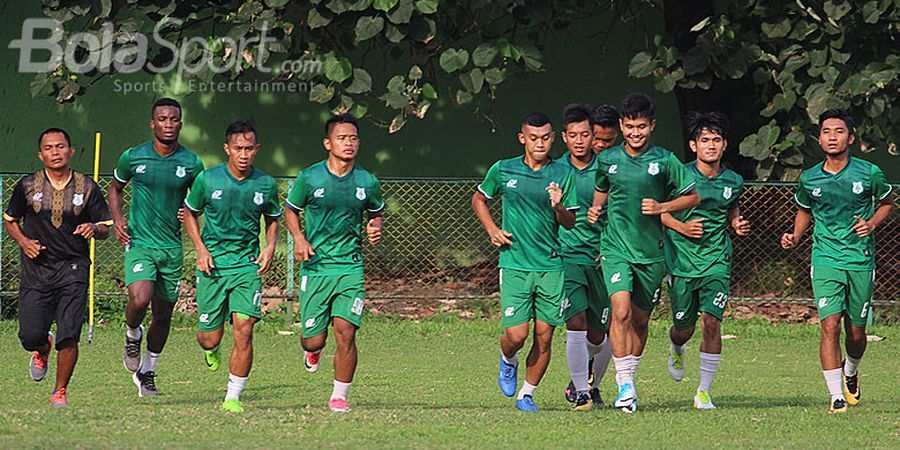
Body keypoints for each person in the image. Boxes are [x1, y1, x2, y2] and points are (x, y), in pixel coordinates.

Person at [587, 92, 699, 413]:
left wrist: (663, 206)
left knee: (639, 321)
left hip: (651, 254)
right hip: (615, 248)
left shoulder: (665, 161)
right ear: (622, 126)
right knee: (619, 311)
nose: (635, 133)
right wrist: (596, 210)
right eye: (629, 127)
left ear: (651, 126)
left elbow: (692, 198)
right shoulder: (608, 160)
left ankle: (628, 381)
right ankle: (625, 386)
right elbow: (601, 191)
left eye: (641, 127)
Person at [781, 109, 893, 414]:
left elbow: (887, 203)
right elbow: (804, 209)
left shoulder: (868, 173)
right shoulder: (810, 177)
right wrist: (796, 235)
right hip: (825, 257)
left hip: (859, 260)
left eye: (839, 131)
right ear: (819, 139)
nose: (833, 136)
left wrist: (870, 224)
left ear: (851, 137)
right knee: (829, 325)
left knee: (855, 332)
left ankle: (851, 370)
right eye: (826, 131)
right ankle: (835, 396)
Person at [472, 112, 578, 412]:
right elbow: (479, 198)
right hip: (515, 264)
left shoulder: (563, 173)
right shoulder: (503, 169)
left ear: (553, 138)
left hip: (551, 267)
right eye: (533, 138)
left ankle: (526, 394)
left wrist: (558, 206)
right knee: (517, 335)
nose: (540, 143)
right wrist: (492, 229)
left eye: (545, 137)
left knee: (545, 336)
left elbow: (570, 223)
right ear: (523, 139)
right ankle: (508, 360)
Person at [3, 128, 112, 408]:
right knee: (29, 335)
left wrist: (94, 227)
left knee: (69, 332)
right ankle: (42, 349)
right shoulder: (27, 186)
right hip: (37, 268)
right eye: (49, 148)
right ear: (41, 155)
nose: (55, 152)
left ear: (71, 151)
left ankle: (59, 391)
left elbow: (105, 227)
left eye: (60, 147)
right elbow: (10, 220)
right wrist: (24, 242)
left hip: (73, 268)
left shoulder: (87, 187)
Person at [284, 113, 385, 413]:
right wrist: (299, 239)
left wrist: (375, 227)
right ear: (328, 143)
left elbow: (375, 212)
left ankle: (339, 395)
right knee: (312, 341)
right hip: (316, 268)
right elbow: (290, 211)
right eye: (342, 138)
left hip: (350, 268)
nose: (349, 143)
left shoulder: (367, 181)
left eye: (353, 138)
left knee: (346, 331)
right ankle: (313, 353)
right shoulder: (309, 178)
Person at [182, 119, 281, 413]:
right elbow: (189, 213)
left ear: (256, 149)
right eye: (238, 148)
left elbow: (273, 218)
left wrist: (270, 247)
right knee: (208, 337)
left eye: (249, 148)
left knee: (244, 327)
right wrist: (200, 249)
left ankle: (233, 396)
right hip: (212, 266)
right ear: (227, 148)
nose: (243, 154)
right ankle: (211, 348)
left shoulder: (265, 183)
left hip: (246, 267)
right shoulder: (208, 180)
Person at [108, 98, 204, 397]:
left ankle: (148, 372)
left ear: (180, 123)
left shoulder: (191, 162)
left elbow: (201, 199)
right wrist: (118, 217)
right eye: (162, 119)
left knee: (163, 315)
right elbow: (115, 187)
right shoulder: (133, 157)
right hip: (140, 243)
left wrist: (191, 212)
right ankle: (132, 334)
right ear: (153, 123)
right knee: (140, 297)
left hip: (172, 247)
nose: (168, 124)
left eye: (174, 119)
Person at [660, 111, 750, 409]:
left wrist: (737, 224)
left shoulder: (733, 180)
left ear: (724, 145)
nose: (710, 145)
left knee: (712, 322)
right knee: (683, 327)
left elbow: (731, 208)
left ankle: (703, 391)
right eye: (704, 140)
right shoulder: (679, 175)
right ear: (693, 145)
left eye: (716, 140)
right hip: (683, 262)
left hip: (717, 260)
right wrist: (683, 227)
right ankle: (676, 346)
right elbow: (661, 212)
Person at [556, 104, 612, 411]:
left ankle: (587, 375)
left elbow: (618, 214)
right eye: (574, 135)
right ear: (564, 137)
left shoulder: (606, 171)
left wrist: (612, 247)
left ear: (595, 137)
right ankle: (581, 392)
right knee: (574, 321)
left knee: (599, 334)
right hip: (568, 257)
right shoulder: (555, 170)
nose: (580, 141)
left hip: (602, 259)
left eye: (586, 134)